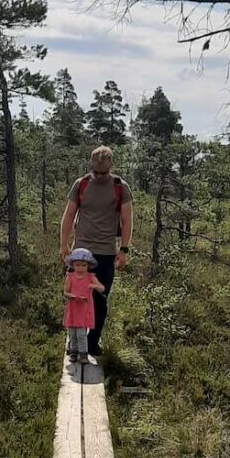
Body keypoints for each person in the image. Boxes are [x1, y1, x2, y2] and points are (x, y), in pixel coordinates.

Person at [59, 145, 133, 356]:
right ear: (91, 165)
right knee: (75, 298)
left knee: (100, 299)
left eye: (104, 172)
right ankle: (74, 342)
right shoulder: (81, 184)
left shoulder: (120, 187)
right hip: (80, 252)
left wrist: (124, 250)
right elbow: (68, 216)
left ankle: (92, 341)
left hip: (106, 252)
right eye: (97, 171)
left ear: (111, 166)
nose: (100, 175)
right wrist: (64, 245)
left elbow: (127, 221)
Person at [62, 248, 106, 364]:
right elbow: (65, 292)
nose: (80, 268)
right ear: (72, 265)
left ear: (88, 265)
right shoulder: (70, 277)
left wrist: (93, 285)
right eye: (77, 265)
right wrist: (71, 296)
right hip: (73, 308)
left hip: (84, 309)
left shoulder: (90, 276)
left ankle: (83, 354)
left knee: (81, 333)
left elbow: (102, 288)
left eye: (83, 265)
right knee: (72, 332)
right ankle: (73, 352)